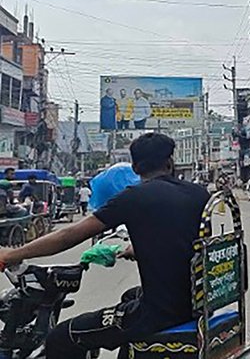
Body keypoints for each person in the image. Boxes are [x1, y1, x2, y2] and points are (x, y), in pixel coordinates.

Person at [0, 132, 209, 358]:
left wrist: (11, 255)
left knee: (61, 337)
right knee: (130, 296)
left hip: (160, 312)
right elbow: (181, 236)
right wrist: (135, 249)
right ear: (170, 162)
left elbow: (69, 235)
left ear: (135, 168)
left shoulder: (134, 197)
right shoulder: (198, 193)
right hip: (195, 299)